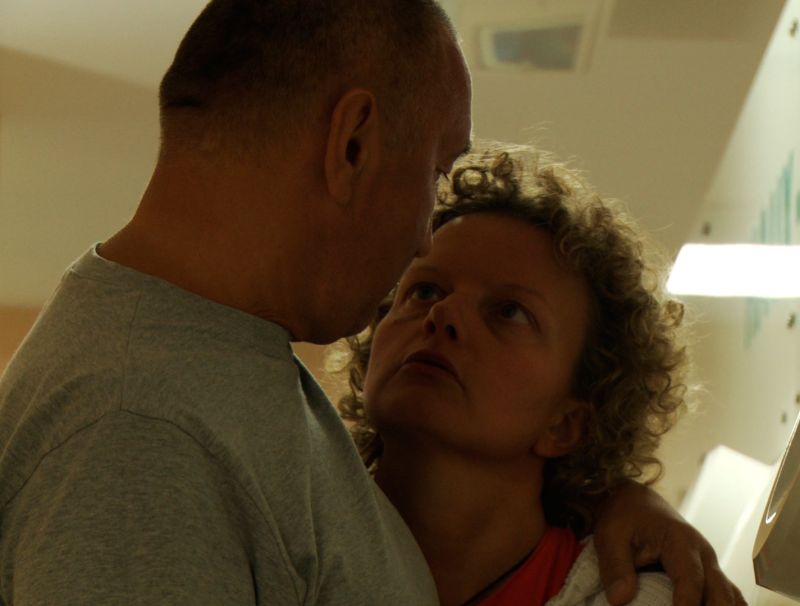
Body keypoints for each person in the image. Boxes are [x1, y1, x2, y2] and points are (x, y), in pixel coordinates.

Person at [0, 1, 741, 604]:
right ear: (352, 145)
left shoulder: (224, 365)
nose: (421, 239)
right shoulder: (141, 431)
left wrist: (614, 500)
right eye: (432, 173)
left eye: (509, 313)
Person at [335, 145, 706, 606]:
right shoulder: (275, 527)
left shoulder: (632, 598)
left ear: (565, 425)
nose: (443, 313)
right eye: (425, 290)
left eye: (509, 312)